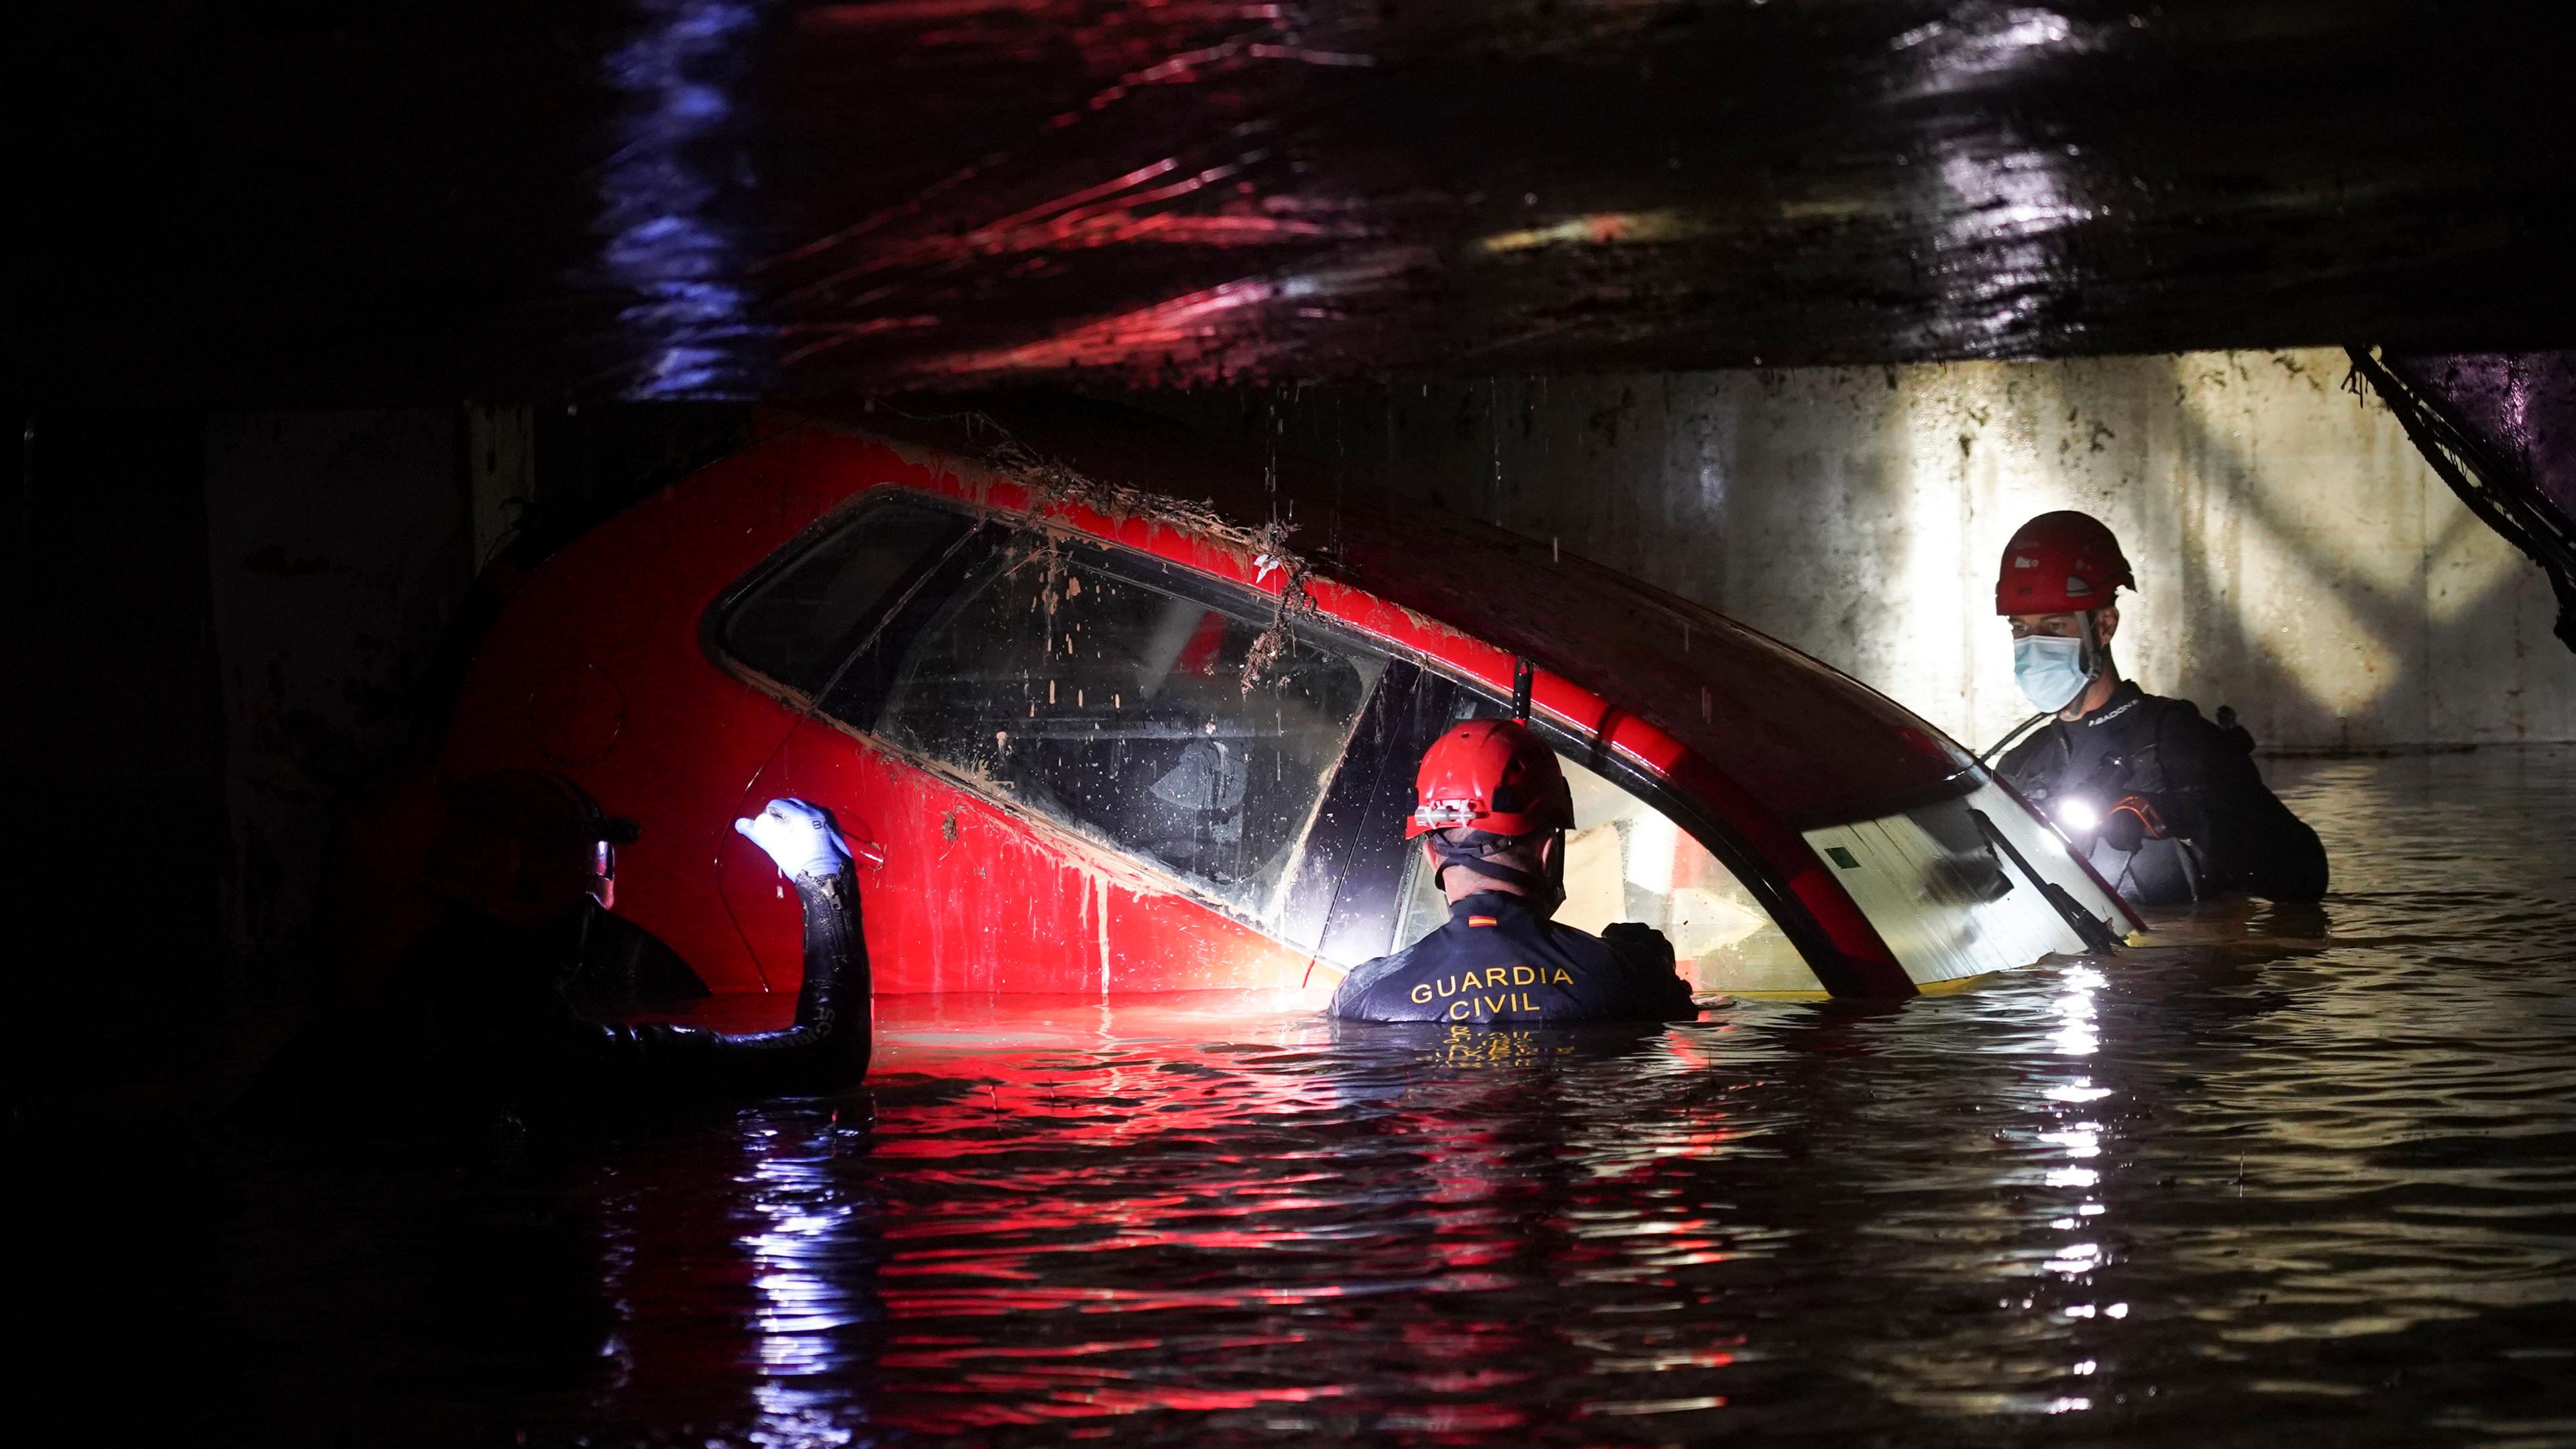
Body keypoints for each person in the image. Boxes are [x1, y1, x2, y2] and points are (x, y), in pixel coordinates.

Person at [246, 771, 870, 1134]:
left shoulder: (326, 1059)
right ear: (555, 904)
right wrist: (826, 885)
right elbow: (826, 1053)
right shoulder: (578, 1065)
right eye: (588, 888)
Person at [1990, 511, 2328, 906]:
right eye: (2020, 629)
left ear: (2104, 627)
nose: (2032, 647)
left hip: (2182, 962)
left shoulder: (2178, 742)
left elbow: (2305, 879)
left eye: (2054, 628)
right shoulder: (2019, 767)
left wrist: (2183, 815)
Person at [1330, 718, 1697, 1024]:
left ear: (1432, 856)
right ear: (1549, 853)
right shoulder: (1631, 978)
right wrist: (1653, 963)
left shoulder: (1364, 998)